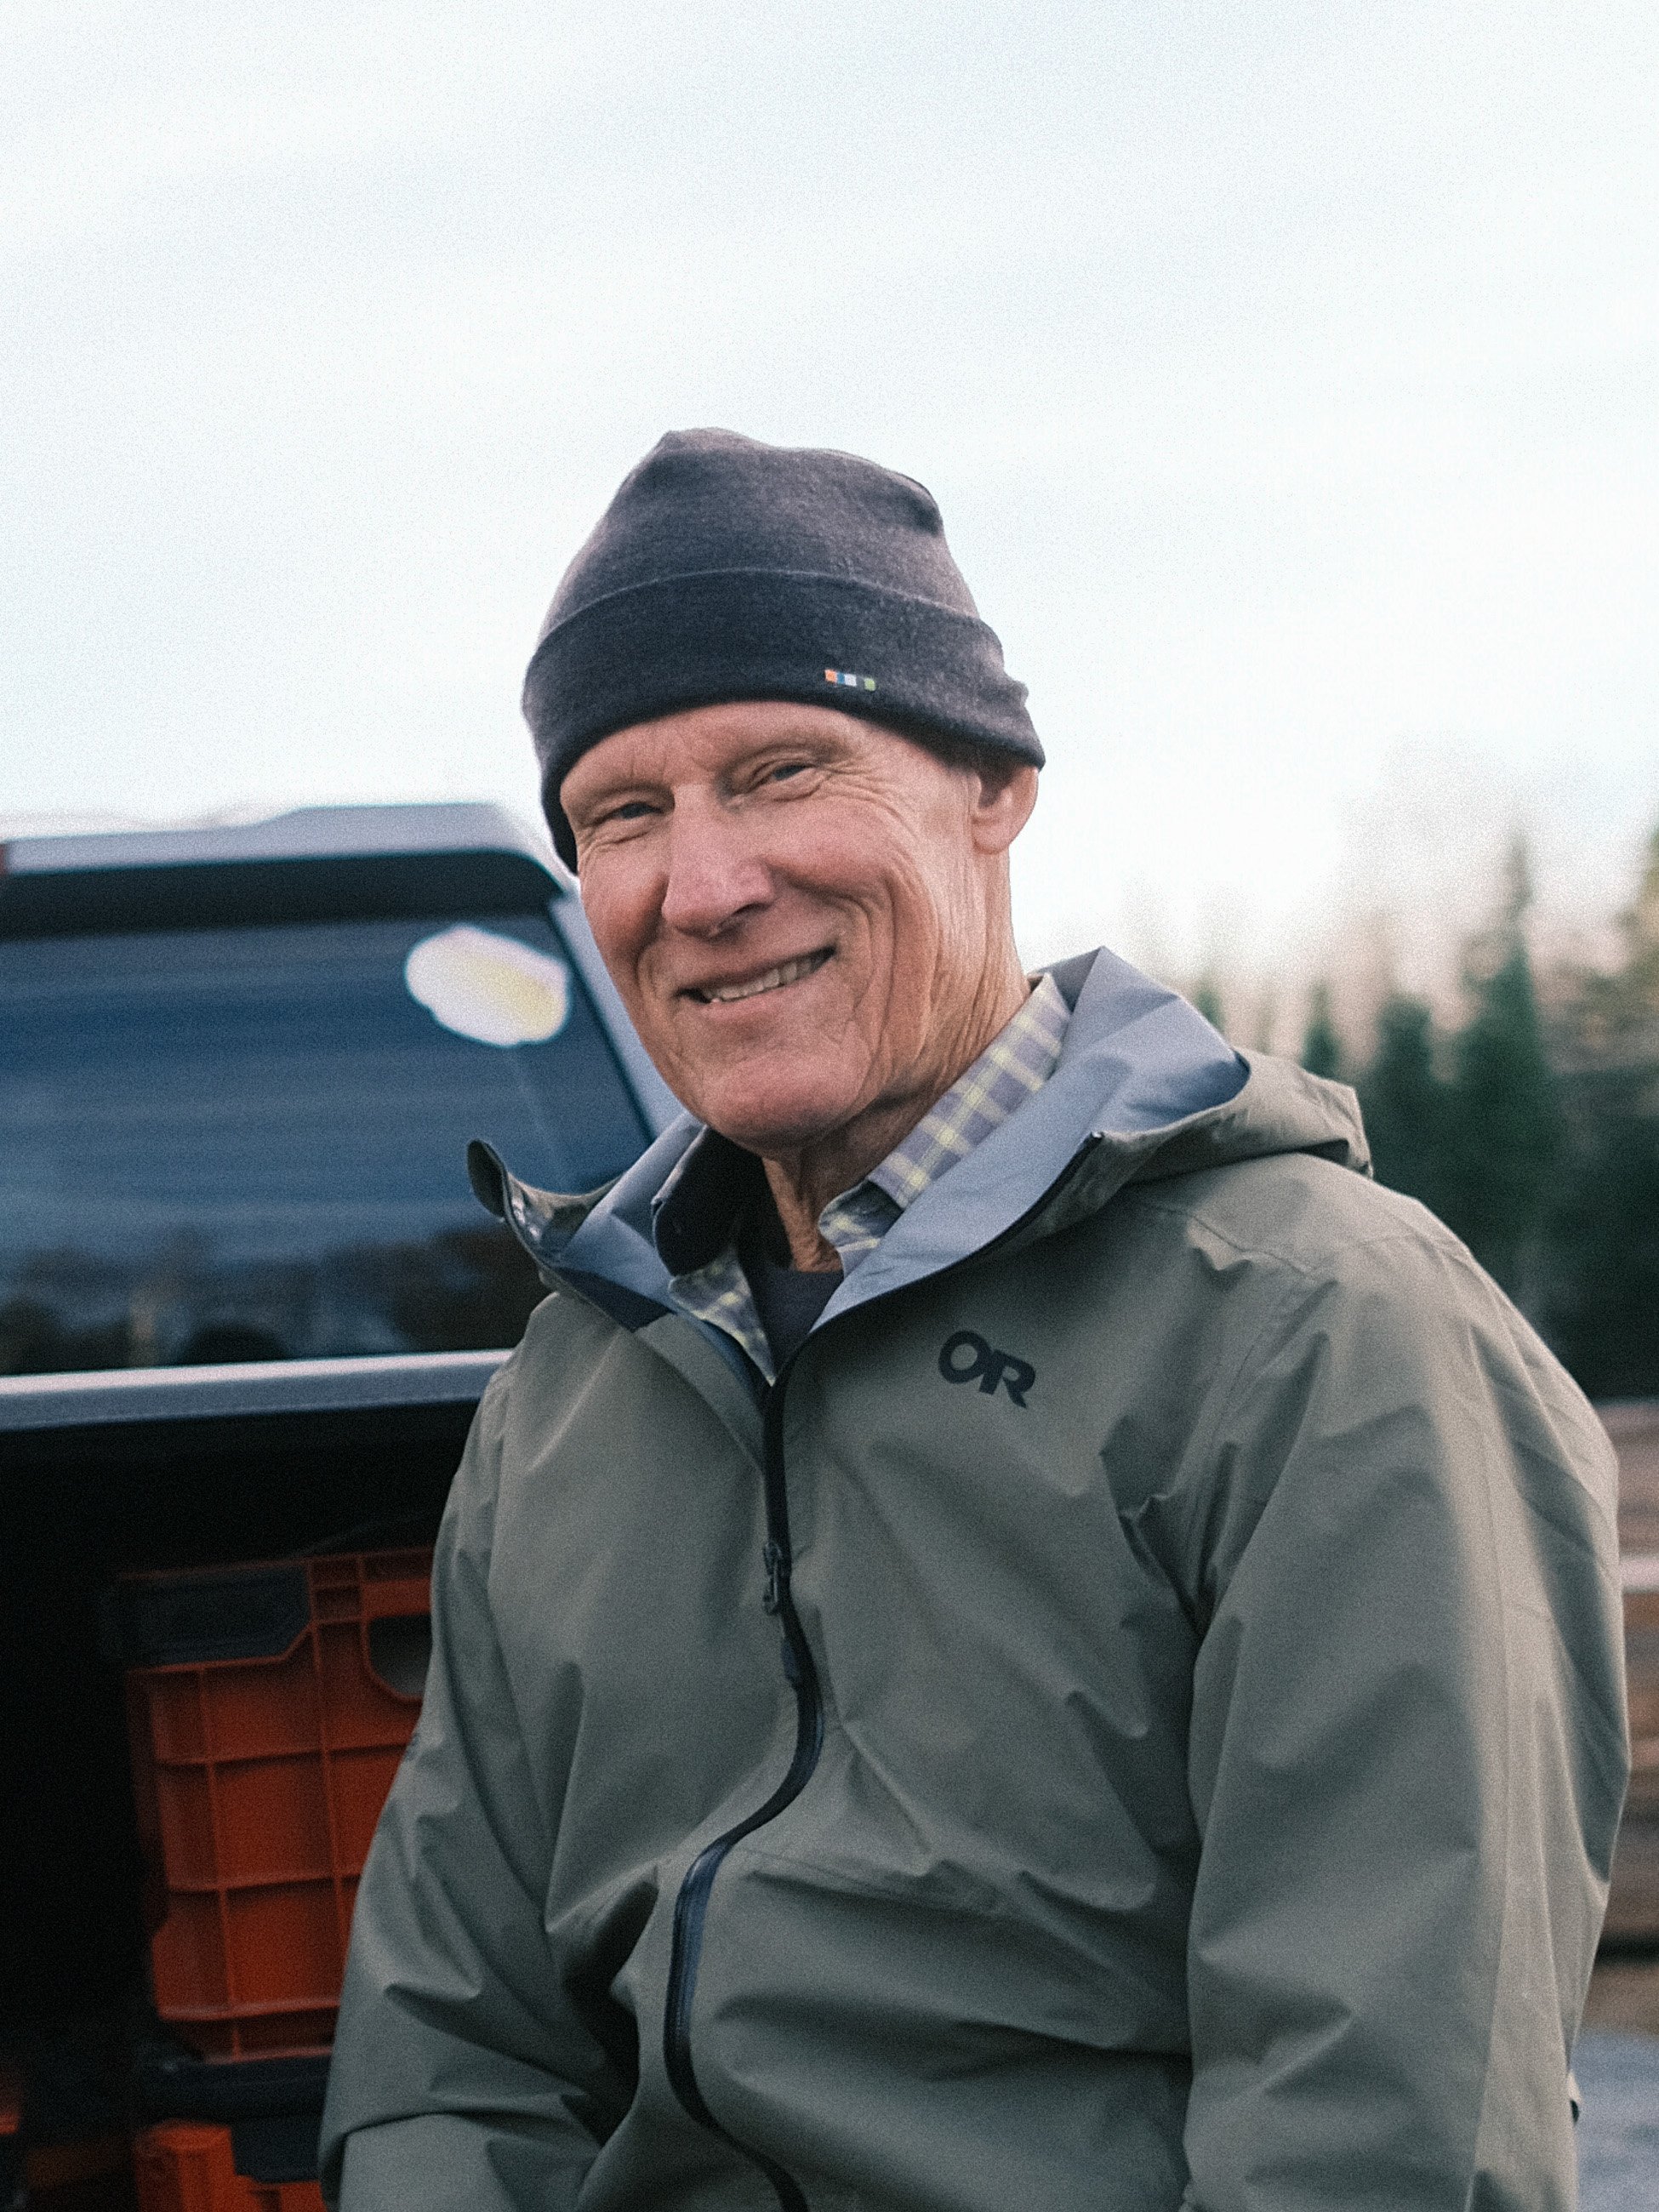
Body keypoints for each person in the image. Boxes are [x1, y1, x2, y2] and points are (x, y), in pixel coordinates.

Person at [321, 430, 1628, 2212]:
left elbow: (1388, 2126)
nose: (702, 887)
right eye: (625, 814)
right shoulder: (580, 1382)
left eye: (784, 774)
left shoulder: (1321, 1332)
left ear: (992, 783)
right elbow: (448, 2053)